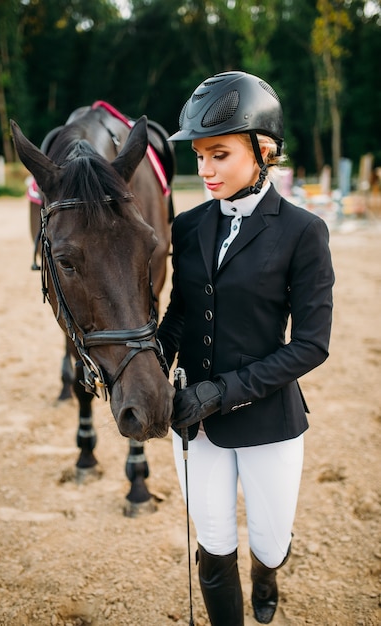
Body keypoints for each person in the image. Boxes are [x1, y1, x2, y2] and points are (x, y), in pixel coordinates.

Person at [157, 71, 334, 625]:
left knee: (269, 540)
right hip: (195, 423)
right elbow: (180, 314)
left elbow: (311, 345)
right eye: (199, 157)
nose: (205, 170)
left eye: (220, 155)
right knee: (212, 546)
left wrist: (218, 393)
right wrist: (150, 367)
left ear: (264, 151)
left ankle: (268, 572)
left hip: (268, 422)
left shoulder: (304, 232)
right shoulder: (187, 226)